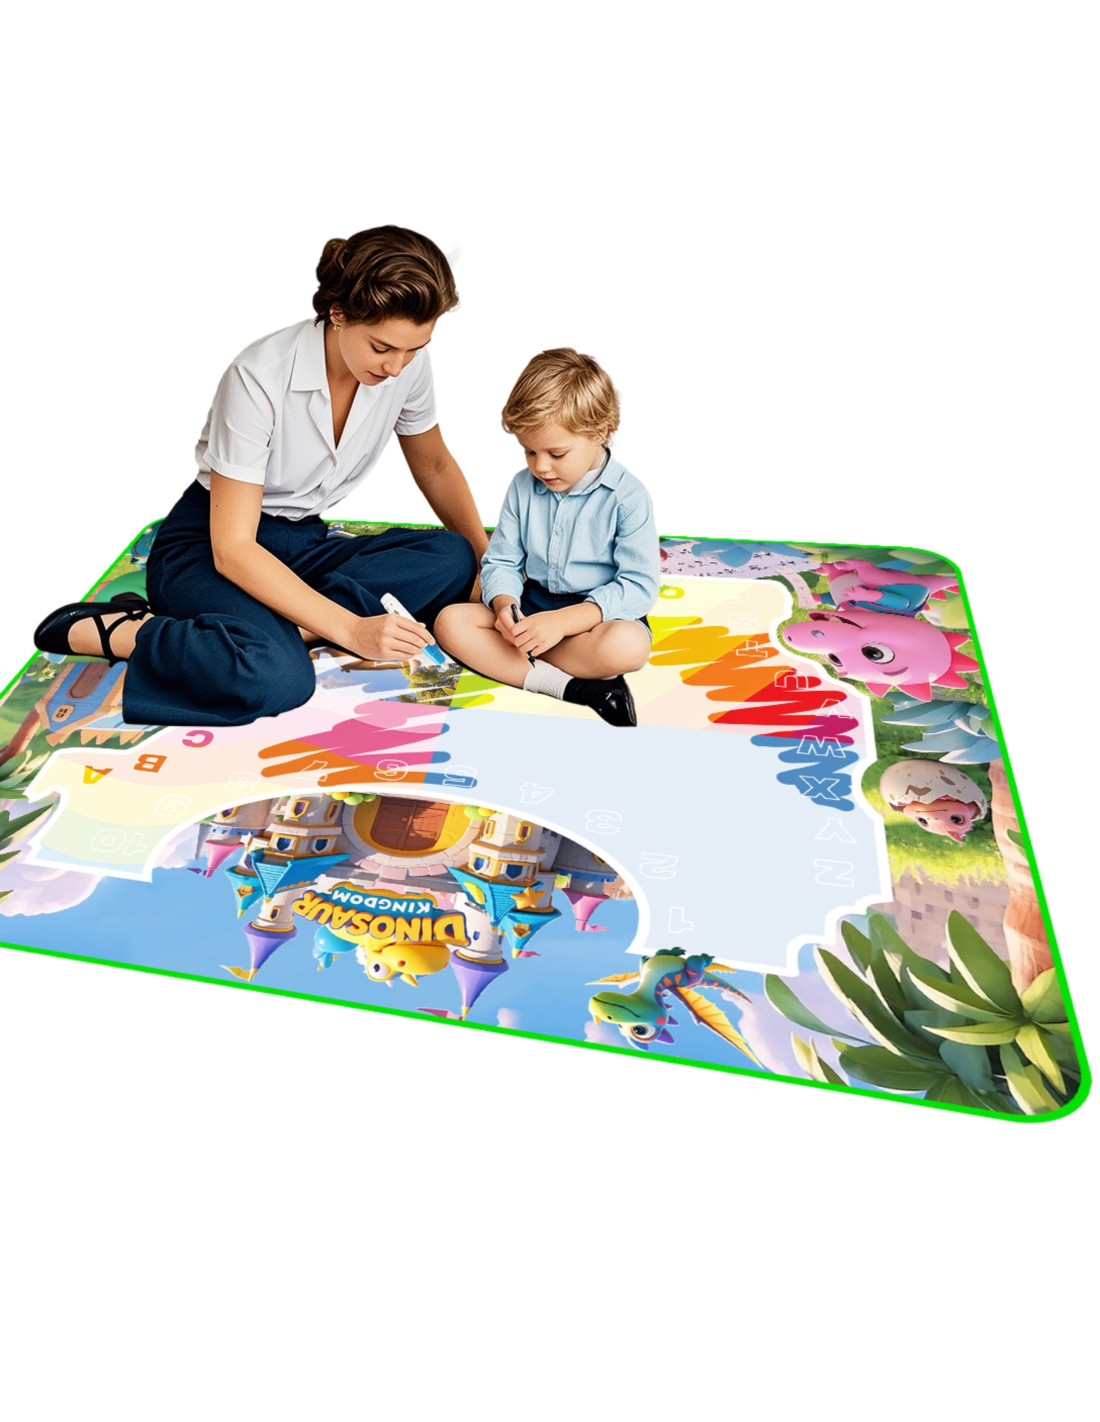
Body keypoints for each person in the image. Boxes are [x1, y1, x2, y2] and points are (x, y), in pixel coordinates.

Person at [33, 226, 487, 727]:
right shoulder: (259, 377)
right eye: (383, 347)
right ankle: (128, 630)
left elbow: (434, 464)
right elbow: (234, 549)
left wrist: (489, 569)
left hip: (302, 540)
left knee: (453, 555)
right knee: (275, 677)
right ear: (339, 313)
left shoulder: (404, 366)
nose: (397, 367)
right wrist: (351, 630)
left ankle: (273, 627)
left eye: (414, 349)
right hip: (211, 543)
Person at [434, 349, 659, 726]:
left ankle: (527, 659)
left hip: (594, 617)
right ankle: (573, 688)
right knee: (449, 622)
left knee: (629, 647)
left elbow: (638, 586)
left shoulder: (628, 497)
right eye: (529, 451)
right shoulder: (523, 487)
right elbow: (502, 561)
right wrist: (506, 608)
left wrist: (562, 625)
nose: (540, 466)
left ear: (601, 432)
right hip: (532, 607)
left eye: (557, 453)